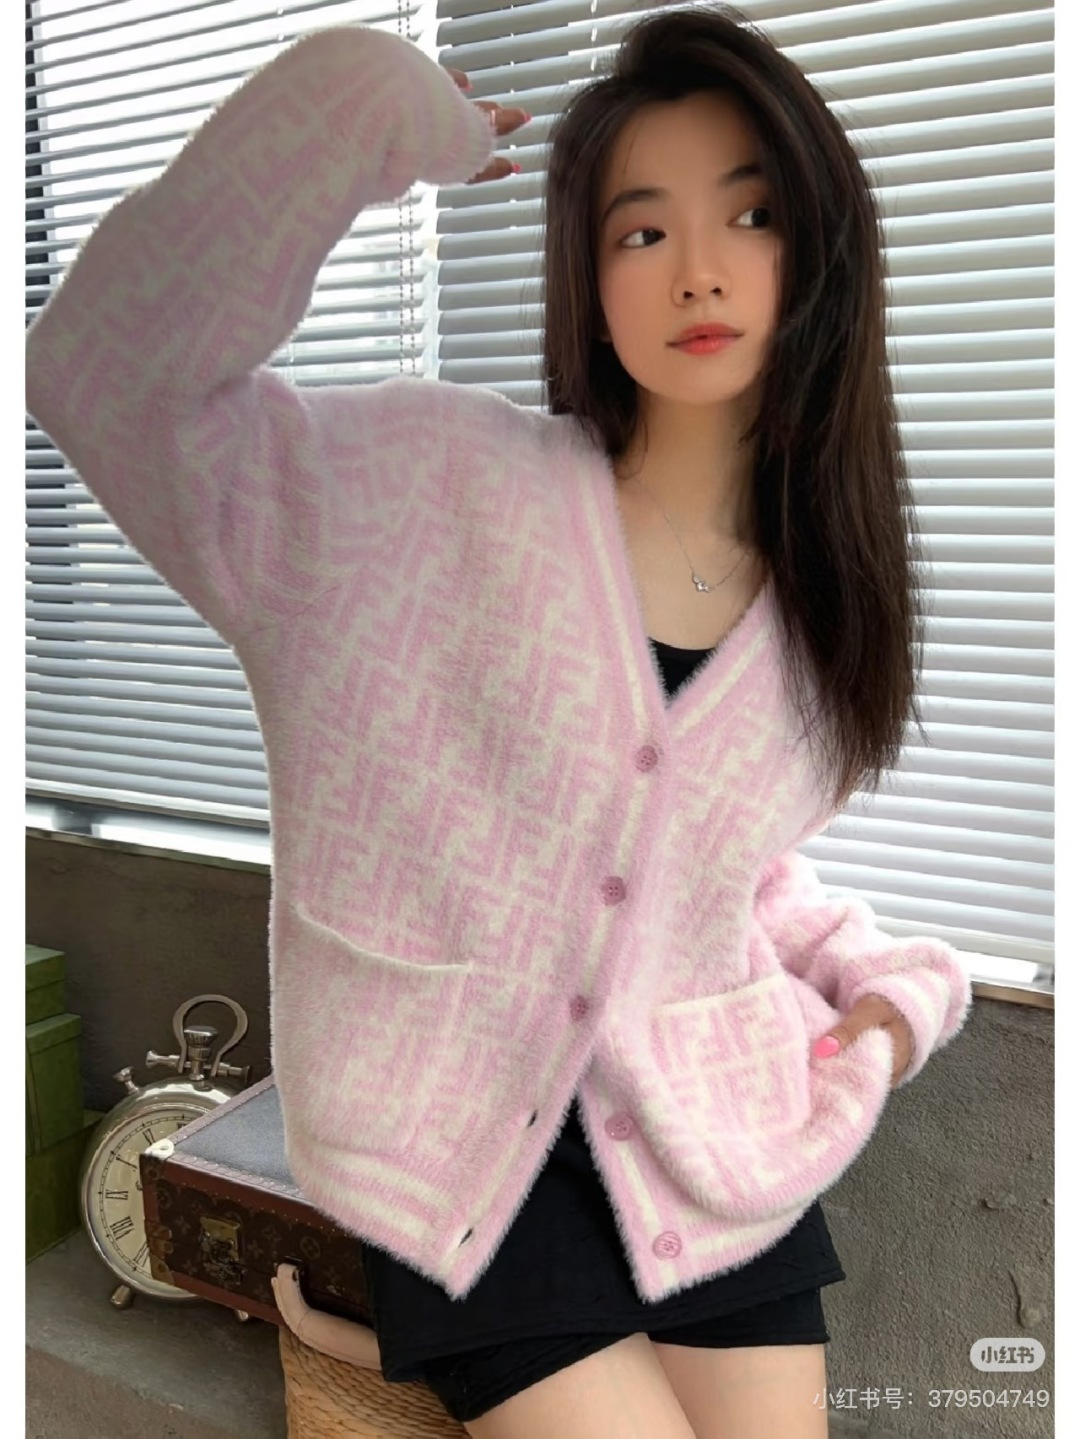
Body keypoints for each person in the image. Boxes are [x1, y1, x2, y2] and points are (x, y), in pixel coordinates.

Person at [25, 4, 972, 1436]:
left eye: (753, 213)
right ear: (588, 278)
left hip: (712, 1135)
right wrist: (353, 109)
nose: (699, 266)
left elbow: (715, 872)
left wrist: (890, 986)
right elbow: (104, 376)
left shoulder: (821, 607)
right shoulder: (422, 493)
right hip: (464, 1156)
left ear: (823, 251)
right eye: (641, 229)